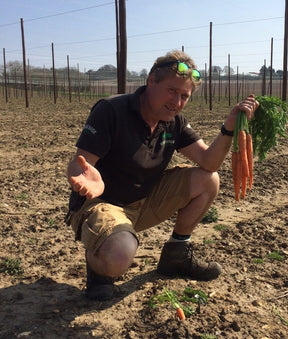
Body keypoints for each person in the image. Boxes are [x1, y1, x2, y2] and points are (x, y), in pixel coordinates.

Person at [66, 50, 259, 301]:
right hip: (101, 204)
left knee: (208, 179)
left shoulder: (174, 122)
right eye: (172, 91)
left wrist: (229, 128)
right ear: (151, 81)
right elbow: (78, 165)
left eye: (184, 96)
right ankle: (99, 269)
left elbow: (209, 161)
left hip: (143, 202)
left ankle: (176, 253)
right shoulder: (112, 110)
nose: (177, 102)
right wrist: (85, 176)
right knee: (120, 253)